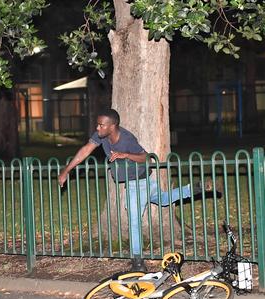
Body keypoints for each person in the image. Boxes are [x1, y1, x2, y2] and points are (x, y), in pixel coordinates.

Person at [58, 109, 210, 272]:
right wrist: (66, 171)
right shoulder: (101, 136)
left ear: (113, 126)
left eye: (101, 125)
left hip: (137, 184)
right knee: (164, 200)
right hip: (146, 180)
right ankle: (196, 188)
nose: (98, 128)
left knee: (134, 220)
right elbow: (85, 150)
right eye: (98, 124)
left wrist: (126, 154)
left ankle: (138, 262)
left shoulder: (127, 138)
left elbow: (145, 157)